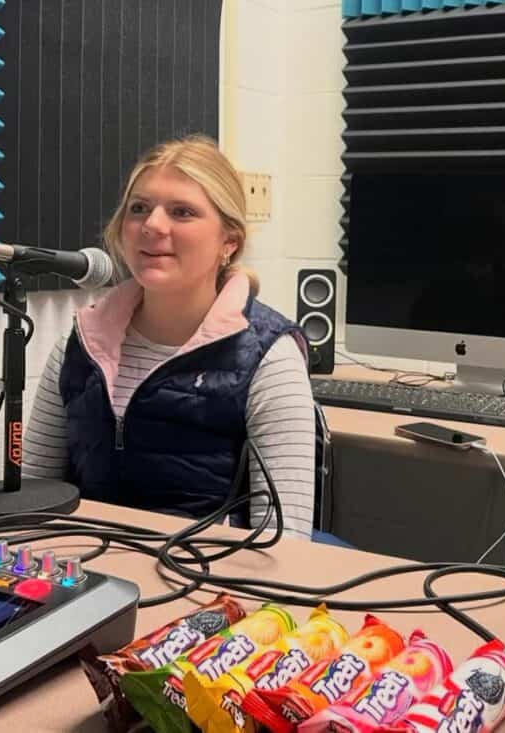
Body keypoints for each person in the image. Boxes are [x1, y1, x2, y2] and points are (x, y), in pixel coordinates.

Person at [23, 135, 317, 540]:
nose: (152, 225)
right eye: (139, 208)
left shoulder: (269, 357)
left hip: (205, 572)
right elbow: (33, 500)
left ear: (229, 242)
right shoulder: (80, 345)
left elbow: (284, 541)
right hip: (86, 565)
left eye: (182, 212)